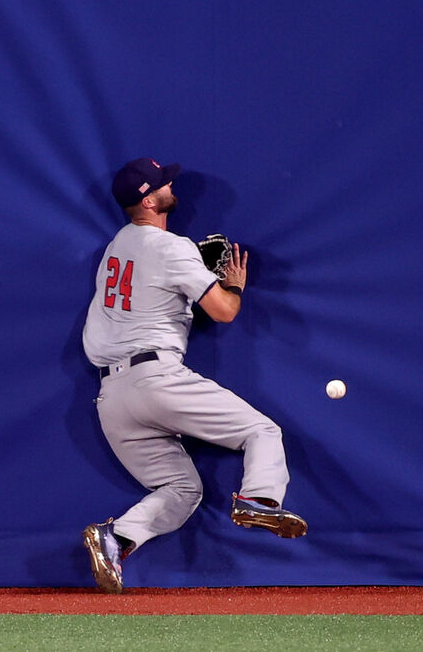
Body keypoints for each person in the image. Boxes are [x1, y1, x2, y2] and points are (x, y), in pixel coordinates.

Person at [80, 157, 306, 593]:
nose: (170, 185)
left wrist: (190, 276)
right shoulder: (171, 247)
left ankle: (116, 538)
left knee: (182, 489)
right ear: (149, 200)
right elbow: (223, 311)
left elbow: (149, 291)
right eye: (163, 183)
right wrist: (233, 284)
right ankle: (260, 498)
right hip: (155, 380)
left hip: (111, 397)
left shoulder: (116, 246)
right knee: (262, 431)